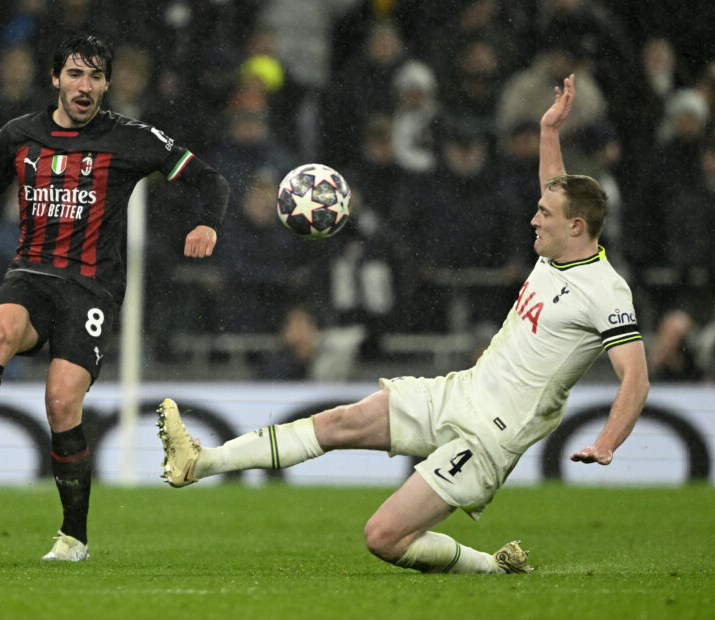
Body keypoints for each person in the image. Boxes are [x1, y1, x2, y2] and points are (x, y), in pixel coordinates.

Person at [156, 75, 649, 574]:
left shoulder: (605, 291)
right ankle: (199, 462)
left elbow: (635, 377)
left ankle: (494, 568)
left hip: (490, 436)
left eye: (544, 214)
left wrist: (606, 442)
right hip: (462, 392)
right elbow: (556, 185)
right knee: (341, 422)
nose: (533, 220)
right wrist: (548, 131)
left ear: (576, 226)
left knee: (384, 537)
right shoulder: (555, 249)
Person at [0, 34, 229, 562]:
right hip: (30, 274)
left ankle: (74, 536)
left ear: (106, 84)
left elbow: (211, 180)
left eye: (96, 76)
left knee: (60, 403)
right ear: (55, 78)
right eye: (75, 74)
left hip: (90, 288)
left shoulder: (130, 138)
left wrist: (207, 223)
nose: (86, 86)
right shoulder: (17, 134)